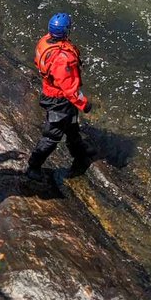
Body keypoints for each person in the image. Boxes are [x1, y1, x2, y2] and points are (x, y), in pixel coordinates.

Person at [26, 13, 94, 180]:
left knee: (72, 126)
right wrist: (84, 104)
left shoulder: (44, 42)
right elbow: (69, 88)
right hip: (59, 99)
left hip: (51, 91)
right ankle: (33, 166)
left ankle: (80, 153)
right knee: (52, 135)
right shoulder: (63, 58)